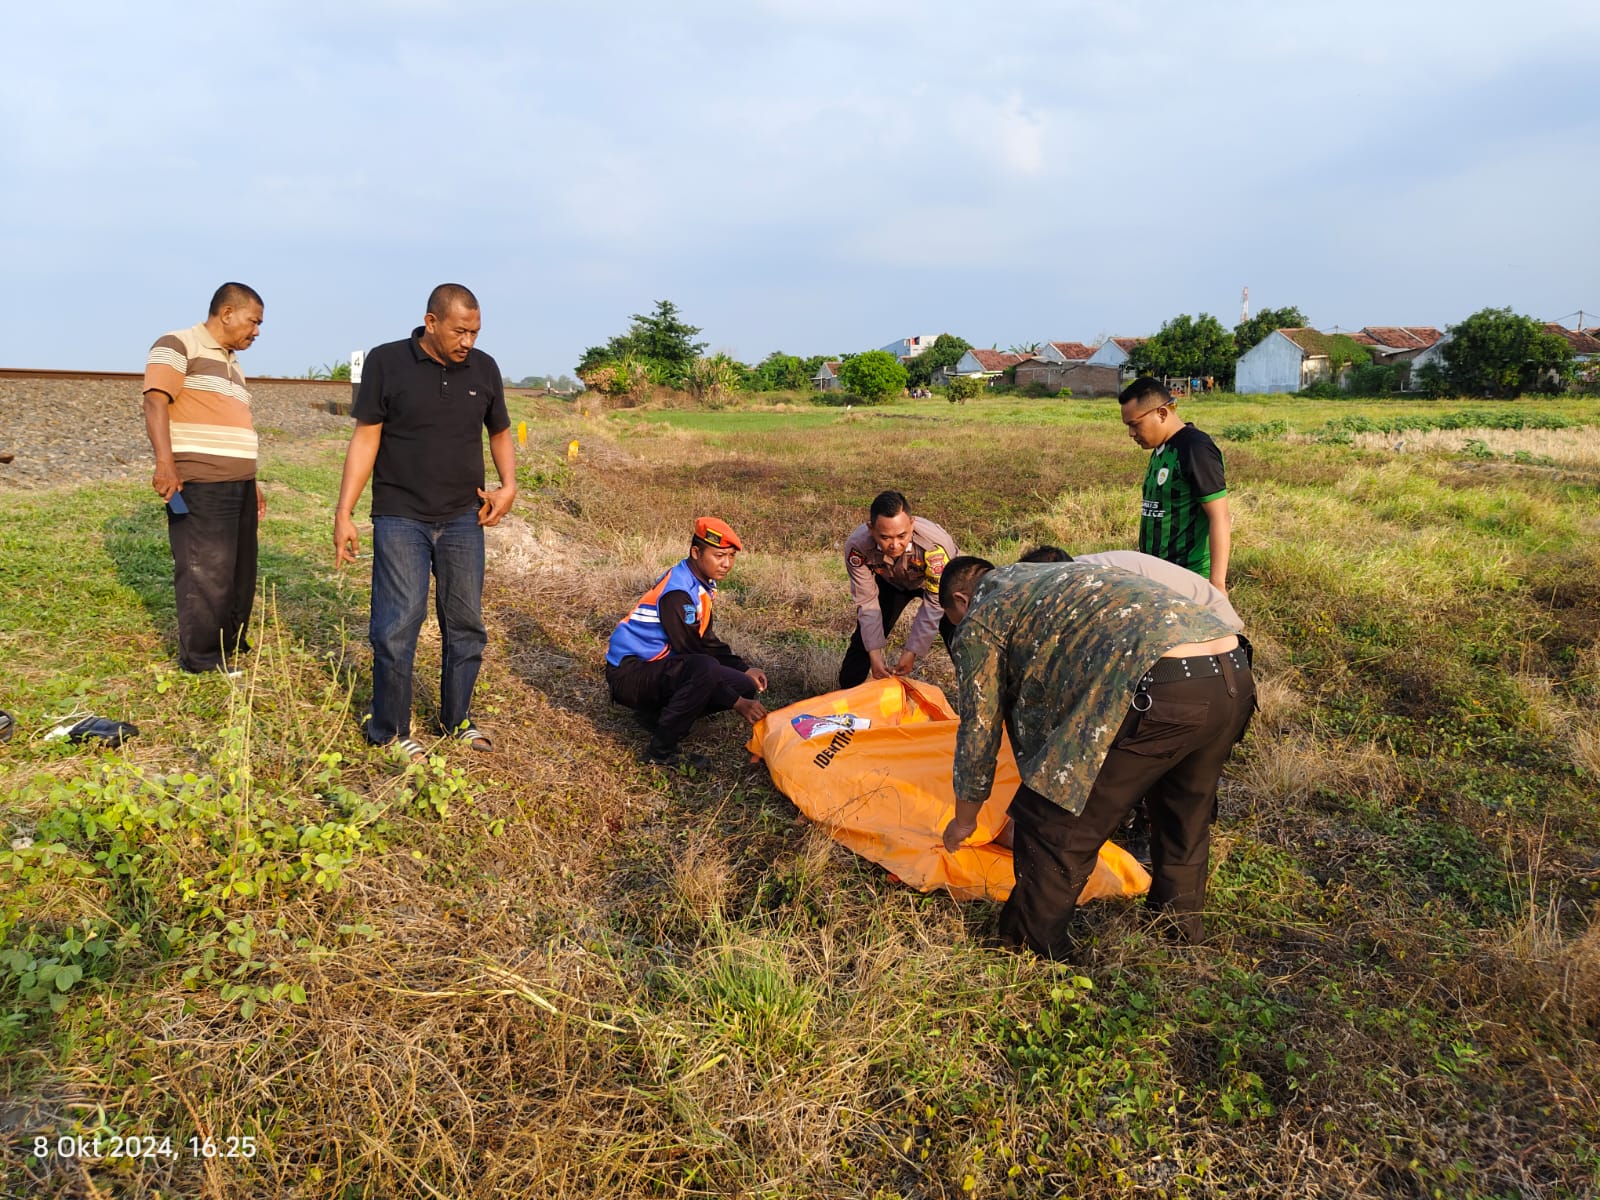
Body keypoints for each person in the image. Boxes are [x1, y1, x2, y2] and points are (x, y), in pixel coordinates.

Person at [937, 555, 1255, 957]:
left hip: (1159, 684)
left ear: (962, 601)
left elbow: (979, 728)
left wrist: (965, 820)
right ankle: (1177, 927)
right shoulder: (1050, 578)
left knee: (1052, 823)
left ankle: (1033, 949)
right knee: (1183, 811)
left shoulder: (983, 614)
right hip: (1233, 672)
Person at [333, 284, 516, 761]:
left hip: (463, 517)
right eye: (460, 330)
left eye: (475, 332)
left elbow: (499, 431)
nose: (468, 342)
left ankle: (456, 719)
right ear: (431, 322)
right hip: (400, 516)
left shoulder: (485, 368)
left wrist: (508, 485)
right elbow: (366, 439)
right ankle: (389, 731)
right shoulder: (387, 362)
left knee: (466, 623)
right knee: (397, 624)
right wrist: (343, 512)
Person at [141, 283, 266, 675]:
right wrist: (166, 463)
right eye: (254, 321)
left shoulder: (233, 363)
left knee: (240, 569)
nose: (257, 331)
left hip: (240, 481)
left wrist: (253, 479)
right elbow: (155, 400)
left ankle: (230, 642)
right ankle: (202, 657)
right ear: (227, 313)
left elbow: (234, 422)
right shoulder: (178, 344)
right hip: (201, 481)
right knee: (206, 568)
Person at [606, 517, 769, 769]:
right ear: (696, 552)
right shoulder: (678, 593)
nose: (727, 564)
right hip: (630, 673)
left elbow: (706, 640)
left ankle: (656, 716)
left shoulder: (699, 584)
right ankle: (660, 752)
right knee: (705, 670)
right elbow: (694, 656)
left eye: (731, 556)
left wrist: (744, 669)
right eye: (719, 555)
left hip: (657, 667)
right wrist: (737, 703)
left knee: (743, 684)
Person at [1119, 377, 1231, 593]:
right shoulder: (1162, 449)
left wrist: (1217, 586)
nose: (1131, 434)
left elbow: (1220, 516)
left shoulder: (1195, 449)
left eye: (1135, 424)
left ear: (1161, 413)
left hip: (1188, 579)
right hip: (1157, 577)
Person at [839, 490, 958, 688]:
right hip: (891, 581)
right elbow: (866, 601)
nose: (895, 545)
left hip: (939, 585)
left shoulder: (935, 547)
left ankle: (979, 695)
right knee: (863, 642)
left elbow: (934, 603)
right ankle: (847, 696)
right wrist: (874, 654)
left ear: (912, 524)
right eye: (885, 537)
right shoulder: (857, 547)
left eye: (902, 535)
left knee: (958, 635)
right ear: (871, 529)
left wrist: (912, 651)